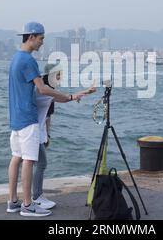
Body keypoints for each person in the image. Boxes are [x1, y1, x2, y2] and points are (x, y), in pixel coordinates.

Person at [6, 22, 85, 217]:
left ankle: (13, 202)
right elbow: (42, 88)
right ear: (31, 37)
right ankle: (27, 205)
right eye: (41, 38)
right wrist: (67, 96)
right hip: (28, 118)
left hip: (16, 118)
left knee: (16, 158)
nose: (42, 43)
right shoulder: (28, 60)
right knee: (29, 160)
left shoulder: (16, 58)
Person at [32, 64, 96, 210]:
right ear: (50, 75)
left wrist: (47, 134)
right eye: (58, 76)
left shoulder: (46, 88)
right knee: (40, 164)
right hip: (32, 132)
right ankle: (36, 197)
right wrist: (83, 93)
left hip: (37, 132)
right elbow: (66, 98)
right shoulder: (43, 90)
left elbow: (48, 115)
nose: (60, 79)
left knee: (37, 164)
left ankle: (31, 197)